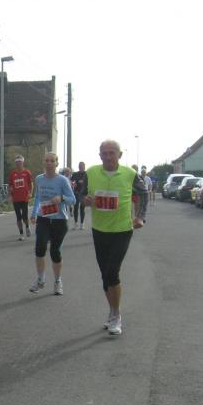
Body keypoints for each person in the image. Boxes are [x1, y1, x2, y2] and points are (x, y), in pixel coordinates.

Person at [83, 140, 148, 336]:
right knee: (105, 275)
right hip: (99, 230)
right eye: (104, 153)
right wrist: (85, 200)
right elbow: (81, 194)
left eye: (112, 153)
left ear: (119, 155)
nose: (108, 157)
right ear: (99, 155)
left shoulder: (130, 174)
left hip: (122, 230)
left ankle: (116, 315)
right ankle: (112, 312)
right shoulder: (91, 173)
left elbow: (144, 193)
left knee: (112, 271)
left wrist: (140, 217)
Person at [28, 152, 75, 295]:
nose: (49, 163)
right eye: (46, 160)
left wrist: (61, 198)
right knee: (40, 248)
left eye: (52, 161)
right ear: (43, 162)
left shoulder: (62, 180)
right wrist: (34, 213)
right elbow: (38, 197)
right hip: (43, 218)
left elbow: (72, 199)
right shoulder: (39, 179)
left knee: (55, 252)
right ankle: (40, 279)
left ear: (56, 163)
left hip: (59, 220)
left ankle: (57, 281)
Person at [8, 155, 33, 240]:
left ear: (23, 162)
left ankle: (27, 227)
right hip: (16, 198)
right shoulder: (12, 173)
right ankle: (21, 234)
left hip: (25, 198)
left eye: (20, 162)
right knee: (18, 217)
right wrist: (10, 195)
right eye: (17, 162)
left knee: (24, 216)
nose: (18, 164)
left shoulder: (27, 172)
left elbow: (31, 184)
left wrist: (30, 193)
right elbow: (10, 185)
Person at [70, 161, 88, 229]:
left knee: (82, 208)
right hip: (76, 192)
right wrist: (73, 183)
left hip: (83, 193)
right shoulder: (75, 174)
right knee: (76, 208)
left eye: (82, 166)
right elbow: (71, 181)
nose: (81, 167)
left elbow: (89, 183)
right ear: (78, 167)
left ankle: (82, 224)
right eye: (80, 166)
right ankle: (75, 223)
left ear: (84, 167)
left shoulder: (86, 174)